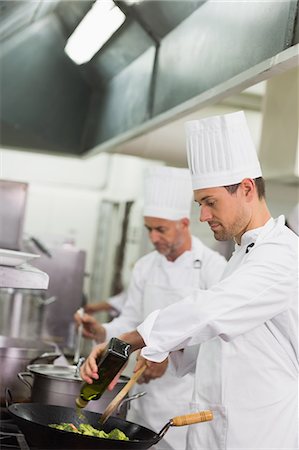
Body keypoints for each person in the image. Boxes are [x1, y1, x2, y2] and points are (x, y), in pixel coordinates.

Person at [81, 111, 298, 450]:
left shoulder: (282, 254)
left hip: (259, 435)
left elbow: (211, 310)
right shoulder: (242, 255)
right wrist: (169, 348)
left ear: (245, 189)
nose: (203, 216)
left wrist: (126, 342)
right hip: (214, 430)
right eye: (200, 204)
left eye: (210, 203)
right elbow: (224, 345)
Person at [79, 166, 227, 450]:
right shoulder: (146, 266)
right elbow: (132, 318)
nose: (153, 238)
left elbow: (216, 339)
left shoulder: (212, 268)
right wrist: (104, 331)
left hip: (185, 400)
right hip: (140, 395)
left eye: (161, 229)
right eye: (149, 229)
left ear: (184, 224)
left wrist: (170, 353)